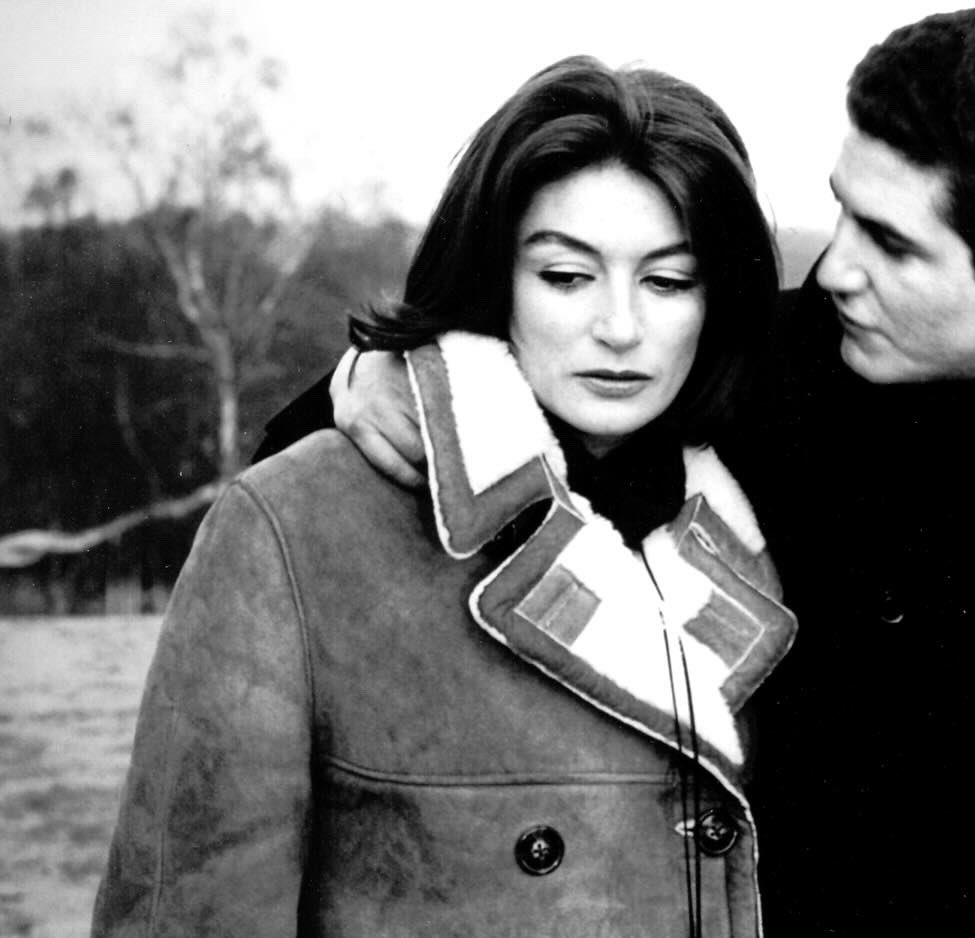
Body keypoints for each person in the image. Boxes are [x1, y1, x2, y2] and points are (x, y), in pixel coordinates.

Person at [255, 10, 975, 935]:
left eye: (895, 245)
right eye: (844, 213)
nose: (837, 269)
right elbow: (429, 447)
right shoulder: (782, 372)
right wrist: (382, 380)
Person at [93, 55, 794, 938]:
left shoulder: (775, 508)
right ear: (493, 274)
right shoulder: (296, 524)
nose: (620, 328)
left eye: (668, 281)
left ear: (719, 296)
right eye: (565, 276)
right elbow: (190, 914)